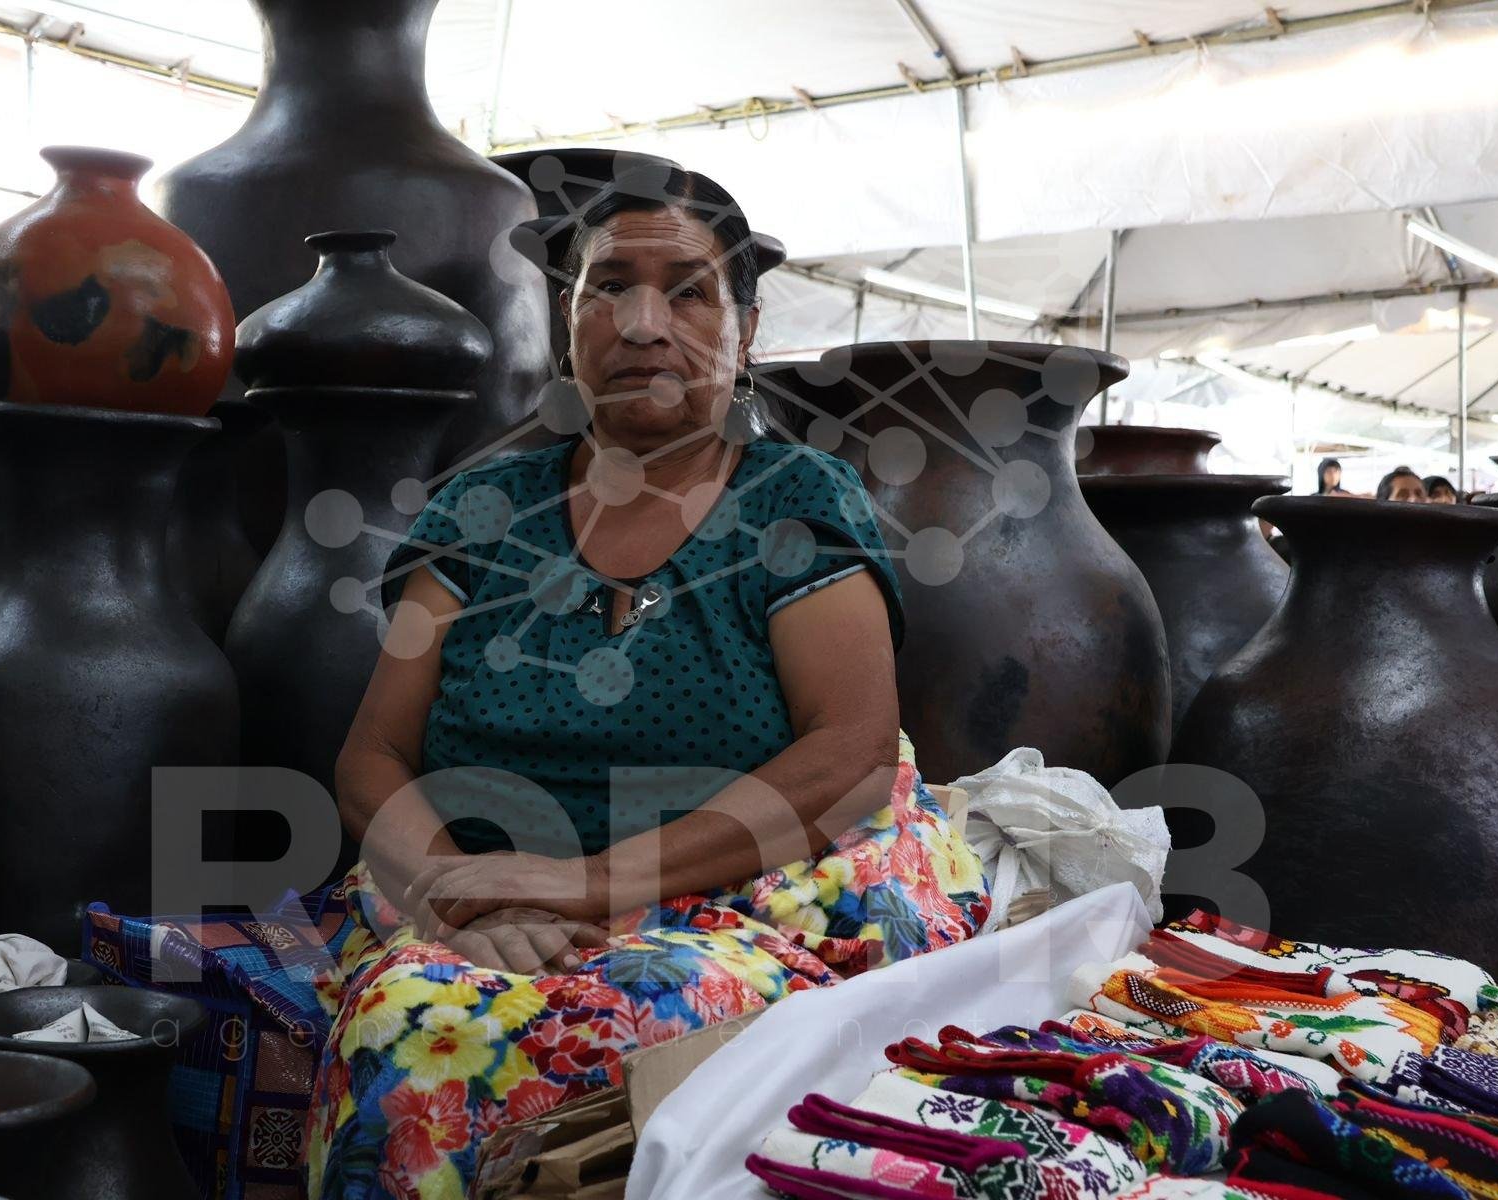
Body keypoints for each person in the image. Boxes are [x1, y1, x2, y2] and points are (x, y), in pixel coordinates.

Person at [307, 169, 991, 1197]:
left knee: (565, 1024)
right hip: (476, 900)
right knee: (411, 1023)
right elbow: (375, 754)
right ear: (567, 324)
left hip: (723, 901)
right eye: (609, 288)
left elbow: (848, 751)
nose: (641, 324)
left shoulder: (794, 501)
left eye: (688, 292)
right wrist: (459, 900)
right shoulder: (478, 512)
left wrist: (591, 883)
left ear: (744, 332)